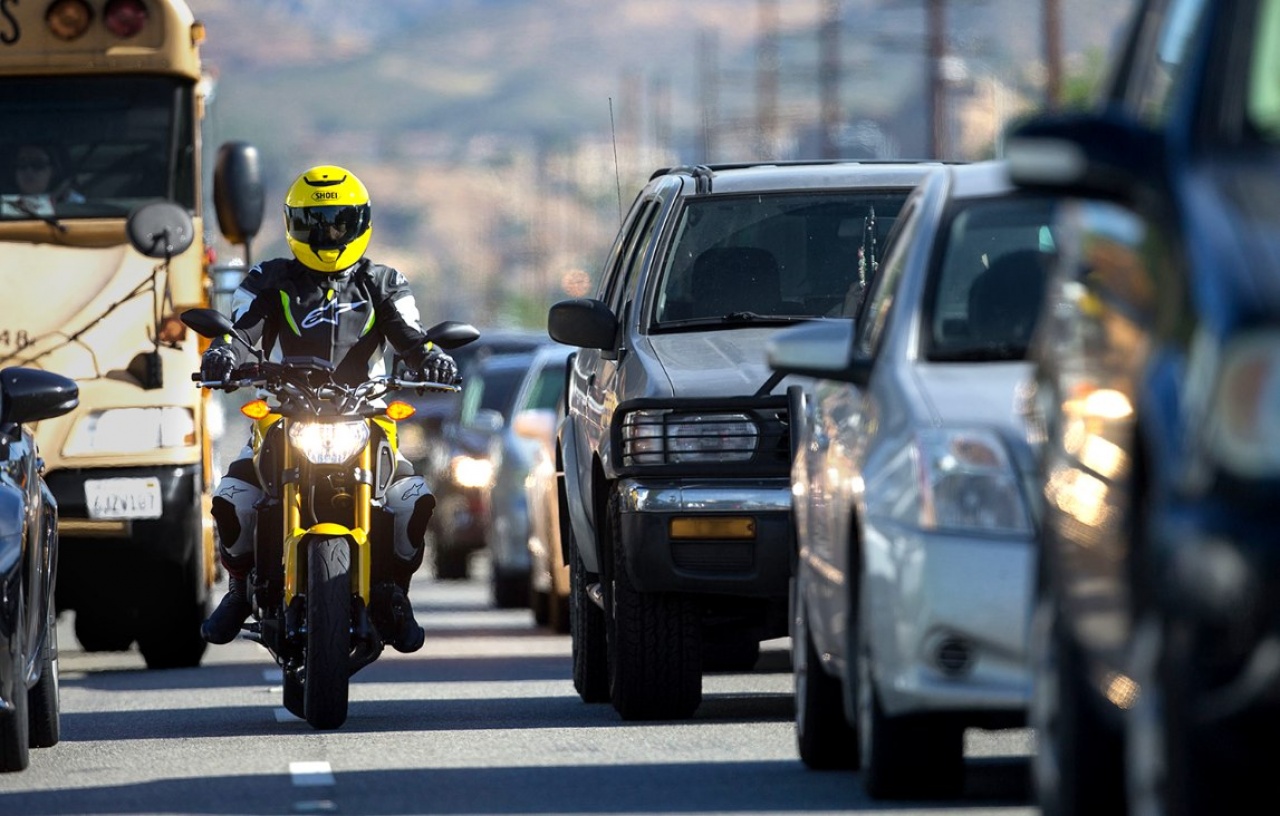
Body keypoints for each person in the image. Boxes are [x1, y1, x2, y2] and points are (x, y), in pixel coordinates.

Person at [198, 164, 459, 653]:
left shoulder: (385, 281)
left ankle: (393, 593)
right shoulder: (267, 278)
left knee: (413, 498)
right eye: (314, 222)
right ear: (293, 224)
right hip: (287, 414)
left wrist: (434, 360)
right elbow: (241, 334)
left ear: (360, 223)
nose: (327, 233)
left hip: (367, 419)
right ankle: (238, 591)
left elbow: (411, 337)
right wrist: (222, 355)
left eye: (338, 221)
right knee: (233, 496)